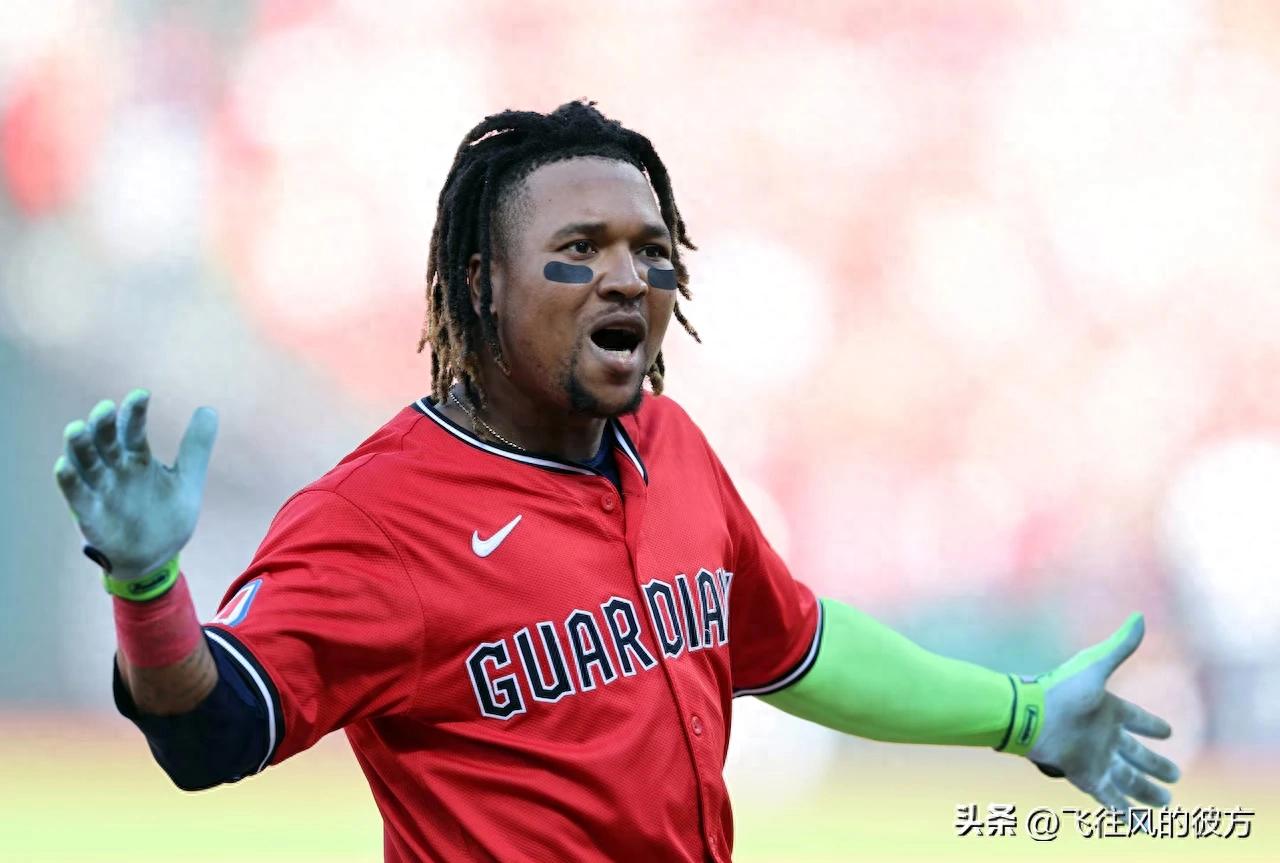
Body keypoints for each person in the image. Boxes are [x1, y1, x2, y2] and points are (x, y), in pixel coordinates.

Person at [53, 101, 1180, 862]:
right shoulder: (378, 516)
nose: (627, 276)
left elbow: (793, 644)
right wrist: (147, 586)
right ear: (481, 283)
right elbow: (210, 736)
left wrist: (1023, 715)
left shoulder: (668, 444)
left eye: (650, 248)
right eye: (580, 247)